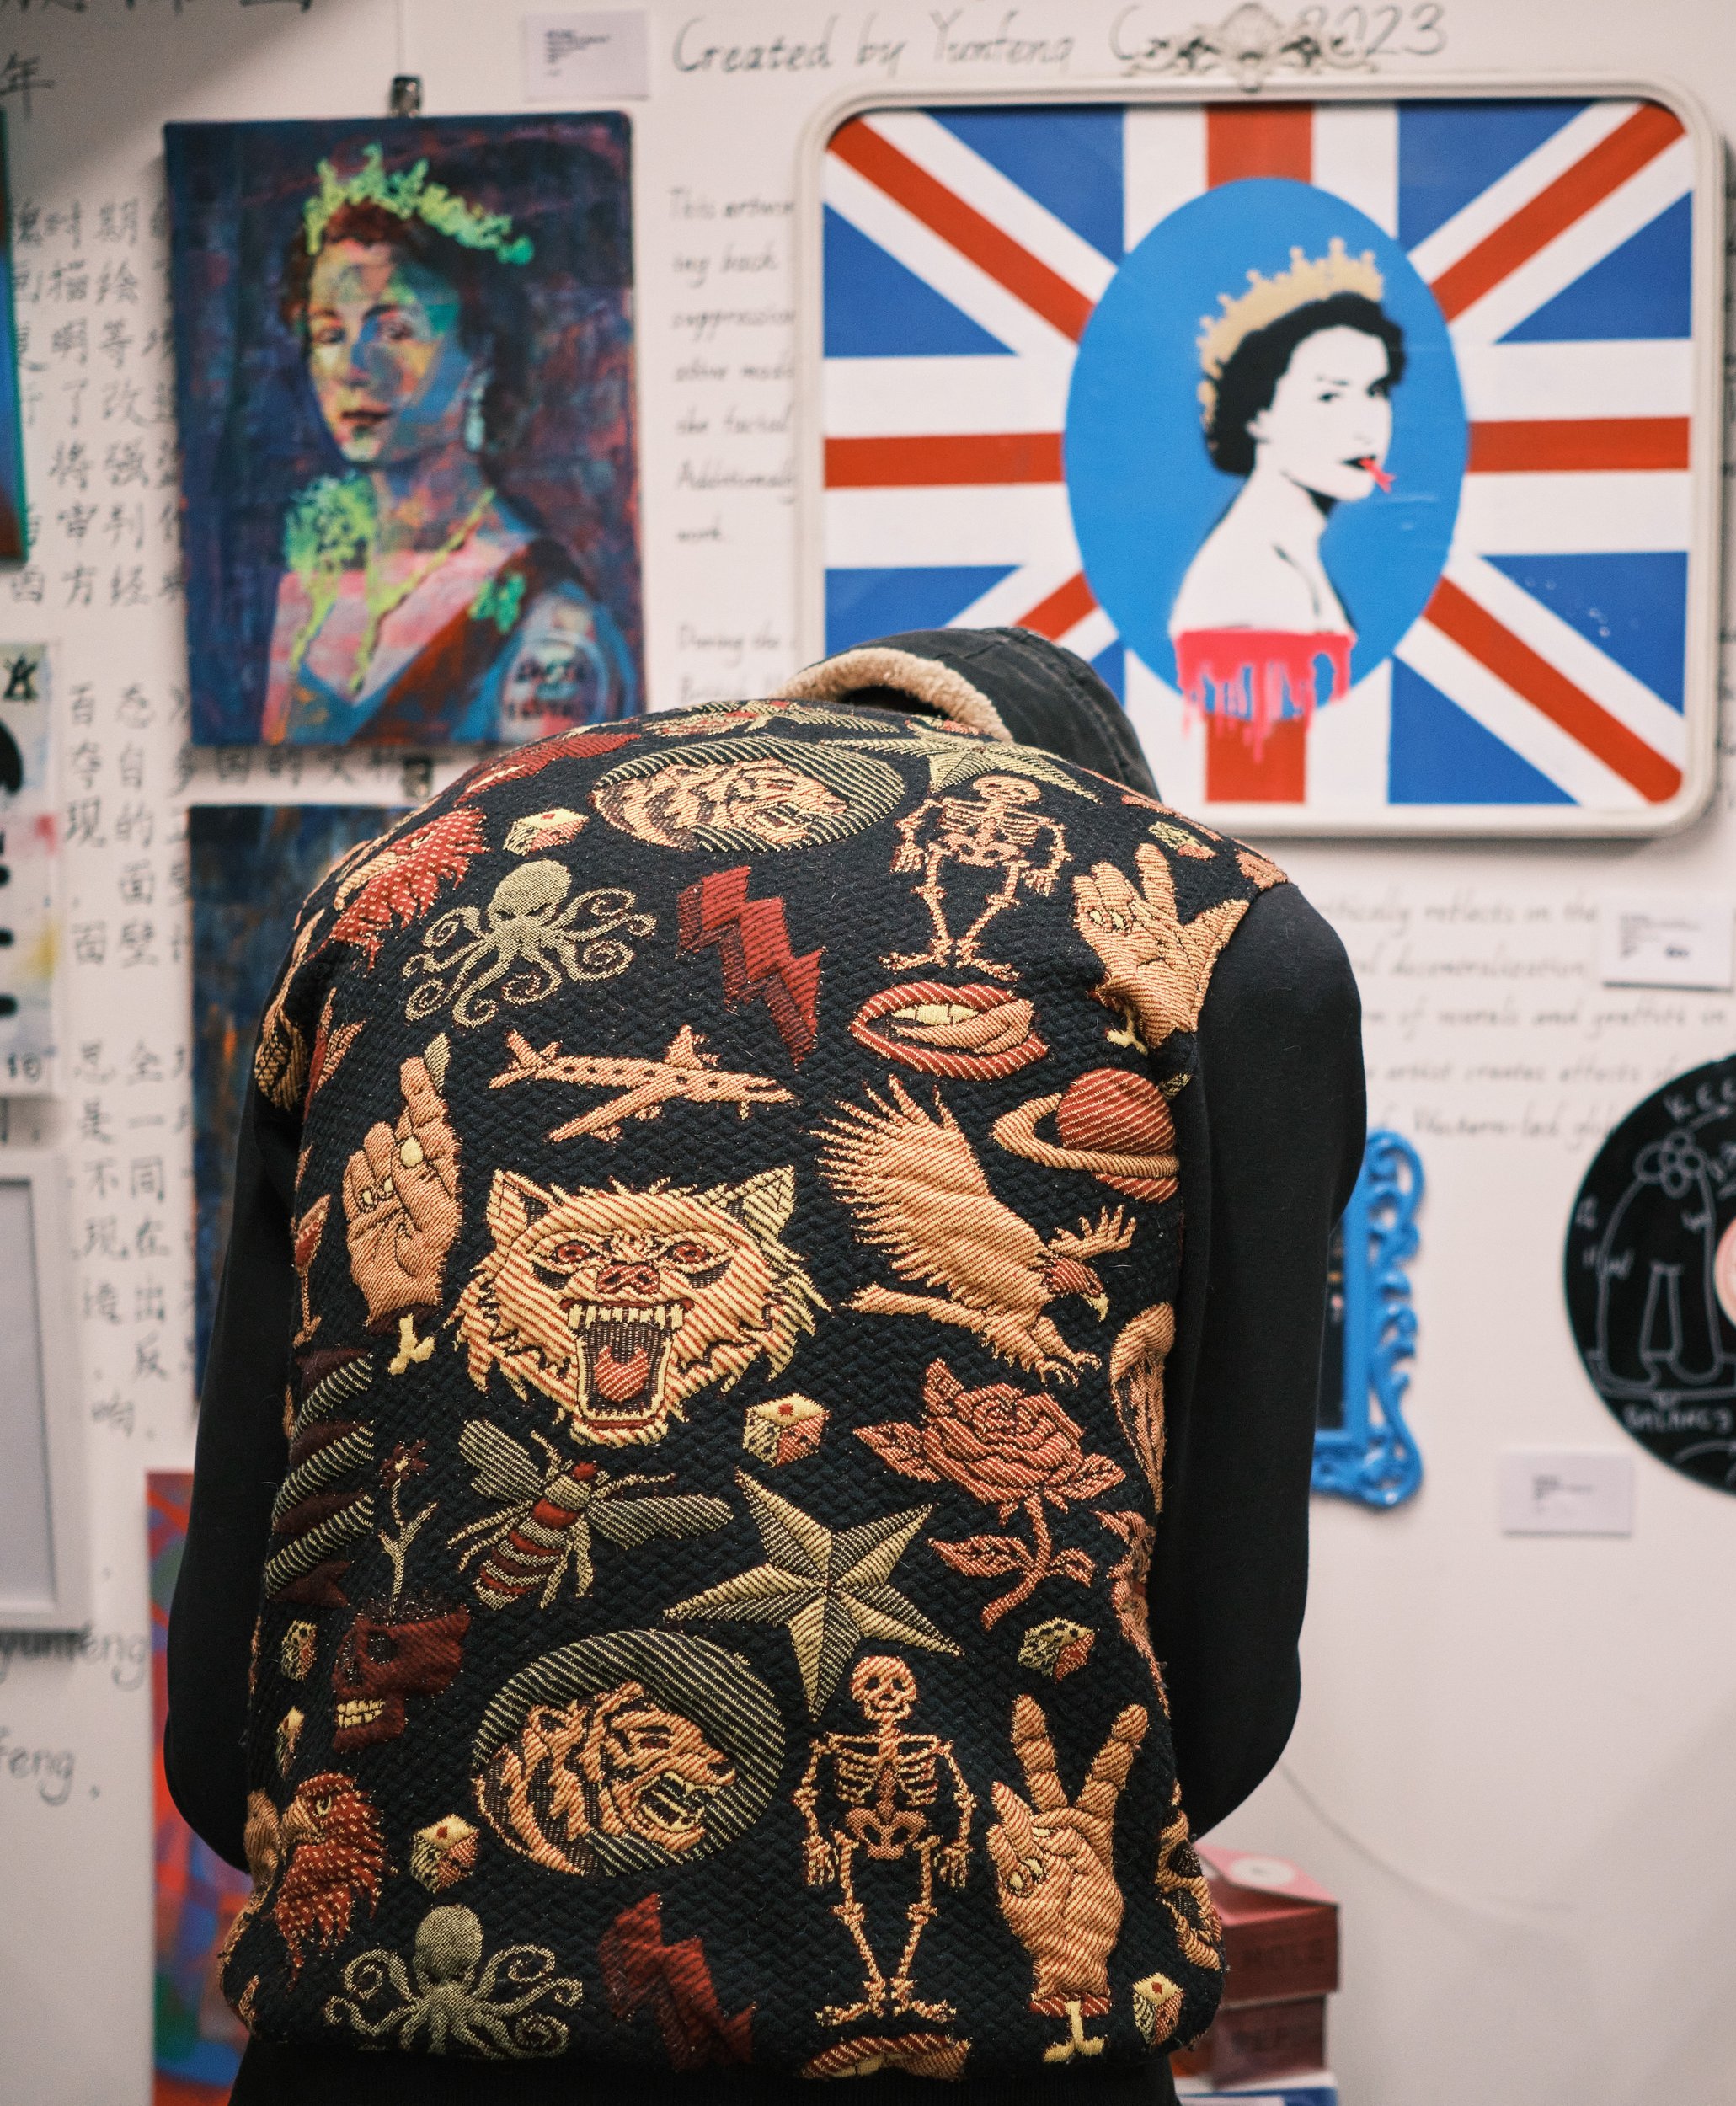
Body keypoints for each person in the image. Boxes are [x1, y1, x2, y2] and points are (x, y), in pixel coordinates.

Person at [168, 626, 1364, 2103]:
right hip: (981, 2060)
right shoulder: (1217, 929)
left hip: (381, 2051)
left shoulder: (385, 884)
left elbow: (222, 1711)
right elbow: (1225, 1691)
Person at [259, 144, 634, 747]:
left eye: (394, 330)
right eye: (329, 334)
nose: (353, 367)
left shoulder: (550, 621)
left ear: (480, 350)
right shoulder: (309, 586)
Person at [1171, 238, 1404, 744]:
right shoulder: (1257, 579)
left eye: (1376, 391)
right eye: (1330, 396)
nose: (1365, 425)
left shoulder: (1292, 557)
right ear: (1258, 414)